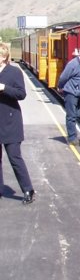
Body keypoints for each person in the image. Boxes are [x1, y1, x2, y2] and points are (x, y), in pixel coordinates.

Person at [0, 42, 35, 204]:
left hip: (10, 122)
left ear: (3, 56)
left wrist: (4, 88)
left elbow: (21, 94)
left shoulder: (14, 72)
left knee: (14, 157)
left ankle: (28, 189)